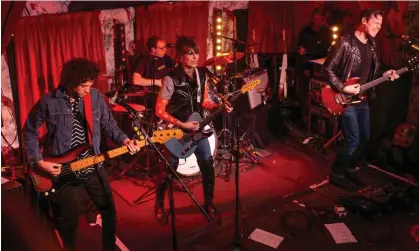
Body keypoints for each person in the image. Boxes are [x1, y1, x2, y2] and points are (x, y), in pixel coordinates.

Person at [23, 58, 142, 251]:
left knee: (108, 210)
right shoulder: (48, 102)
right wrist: (38, 162)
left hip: (92, 162)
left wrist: (126, 140)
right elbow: (29, 131)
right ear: (70, 83)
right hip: (62, 168)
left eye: (90, 85)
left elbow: (109, 125)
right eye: (84, 86)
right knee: (69, 219)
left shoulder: (94, 97)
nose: (88, 89)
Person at [153, 35, 232, 225]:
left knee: (207, 165)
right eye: (190, 54)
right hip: (175, 131)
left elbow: (203, 101)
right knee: (168, 170)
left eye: (196, 53)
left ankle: (209, 203)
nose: (196, 57)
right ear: (181, 57)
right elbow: (159, 110)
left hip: (197, 127)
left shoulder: (202, 75)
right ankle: (159, 203)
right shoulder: (170, 78)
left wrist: (219, 105)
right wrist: (182, 125)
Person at [322, 8, 399, 190]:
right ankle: (336, 172)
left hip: (362, 99)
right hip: (346, 99)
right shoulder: (345, 43)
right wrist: (343, 87)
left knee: (365, 138)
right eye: (376, 23)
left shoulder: (373, 45)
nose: (378, 28)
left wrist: (385, 74)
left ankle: (350, 168)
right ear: (364, 20)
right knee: (353, 140)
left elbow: (373, 72)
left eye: (381, 25)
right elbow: (327, 69)